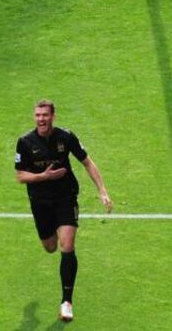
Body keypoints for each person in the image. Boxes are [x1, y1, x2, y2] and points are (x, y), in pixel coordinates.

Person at [14, 99, 112, 322]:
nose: (41, 119)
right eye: (38, 115)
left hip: (65, 198)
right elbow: (20, 175)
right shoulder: (25, 142)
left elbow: (87, 162)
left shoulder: (66, 137)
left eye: (45, 115)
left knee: (67, 245)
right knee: (50, 247)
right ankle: (52, 234)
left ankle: (67, 302)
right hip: (40, 202)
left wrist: (103, 191)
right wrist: (43, 177)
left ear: (53, 116)